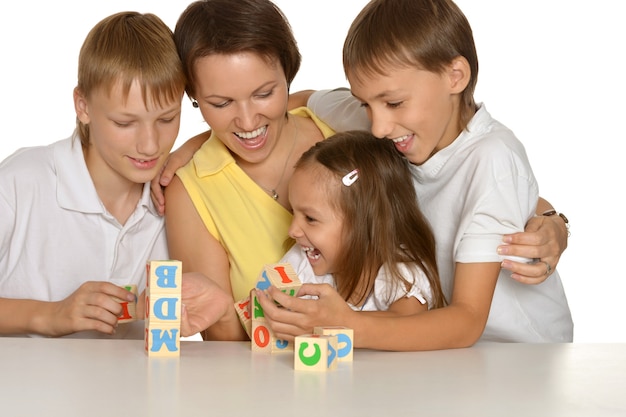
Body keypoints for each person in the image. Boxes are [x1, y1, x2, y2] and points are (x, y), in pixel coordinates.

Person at [256, 0, 573, 350]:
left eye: (392, 103)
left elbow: (467, 320)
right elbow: (302, 100)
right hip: (438, 346)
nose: (376, 128)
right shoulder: (390, 123)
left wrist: (346, 325)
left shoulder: (492, 159)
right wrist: (193, 150)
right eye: (366, 104)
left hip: (517, 353)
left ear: (455, 77)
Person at [0, 11, 230, 339]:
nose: (151, 145)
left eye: (167, 119)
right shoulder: (20, 183)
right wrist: (48, 315)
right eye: (125, 123)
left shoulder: (180, 199)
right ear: (83, 106)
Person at [163, 0, 336, 340]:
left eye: (264, 94)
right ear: (193, 95)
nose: (246, 121)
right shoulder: (191, 191)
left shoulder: (339, 126)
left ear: (288, 74)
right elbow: (225, 346)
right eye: (220, 103)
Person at [278, 130, 446, 315]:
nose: (292, 230)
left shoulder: (398, 272)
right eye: (294, 212)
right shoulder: (302, 261)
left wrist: (333, 322)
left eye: (310, 218)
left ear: (364, 224)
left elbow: (407, 325)